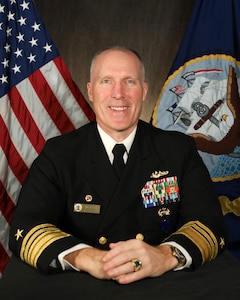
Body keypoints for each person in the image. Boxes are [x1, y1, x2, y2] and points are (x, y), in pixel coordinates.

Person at [9, 46, 226, 285]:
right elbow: (26, 227)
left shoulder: (178, 150)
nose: (118, 94)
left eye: (129, 82)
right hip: (83, 285)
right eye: (106, 81)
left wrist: (165, 256)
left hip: (161, 284)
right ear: (91, 91)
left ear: (144, 91)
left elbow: (210, 223)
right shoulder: (59, 154)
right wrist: (86, 257)